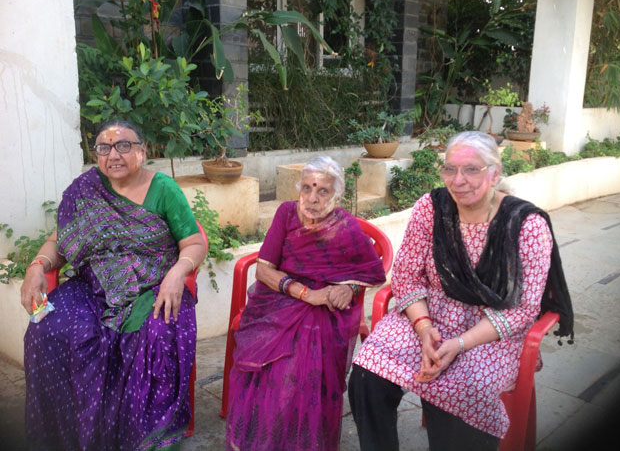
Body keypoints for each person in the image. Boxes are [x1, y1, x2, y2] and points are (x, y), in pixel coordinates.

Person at [348, 131, 574, 451]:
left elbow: (522, 309)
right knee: (367, 372)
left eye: (472, 169)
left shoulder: (525, 225)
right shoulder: (432, 207)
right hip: (431, 314)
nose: (458, 180)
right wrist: (425, 329)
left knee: (460, 388)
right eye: (450, 169)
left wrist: (458, 344)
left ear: (494, 173)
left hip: (490, 330)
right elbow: (407, 277)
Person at [21, 120, 207, 450]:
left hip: (153, 286)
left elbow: (193, 242)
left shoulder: (164, 189)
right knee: (45, 329)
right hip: (93, 287)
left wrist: (178, 273)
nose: (113, 155)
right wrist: (38, 266)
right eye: (104, 148)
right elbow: (58, 243)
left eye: (123, 145)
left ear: (142, 151)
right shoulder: (86, 189)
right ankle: (66, 434)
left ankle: (139, 439)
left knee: (156, 336)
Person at [225, 156, 386, 451]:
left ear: (336, 194)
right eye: (307, 188)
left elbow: (373, 271)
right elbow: (263, 270)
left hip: (326, 309)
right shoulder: (286, 214)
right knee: (271, 361)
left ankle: (301, 440)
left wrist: (350, 287)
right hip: (277, 300)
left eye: (323, 190)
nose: (312, 198)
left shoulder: (347, 227)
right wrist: (307, 294)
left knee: (304, 358)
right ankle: (261, 437)